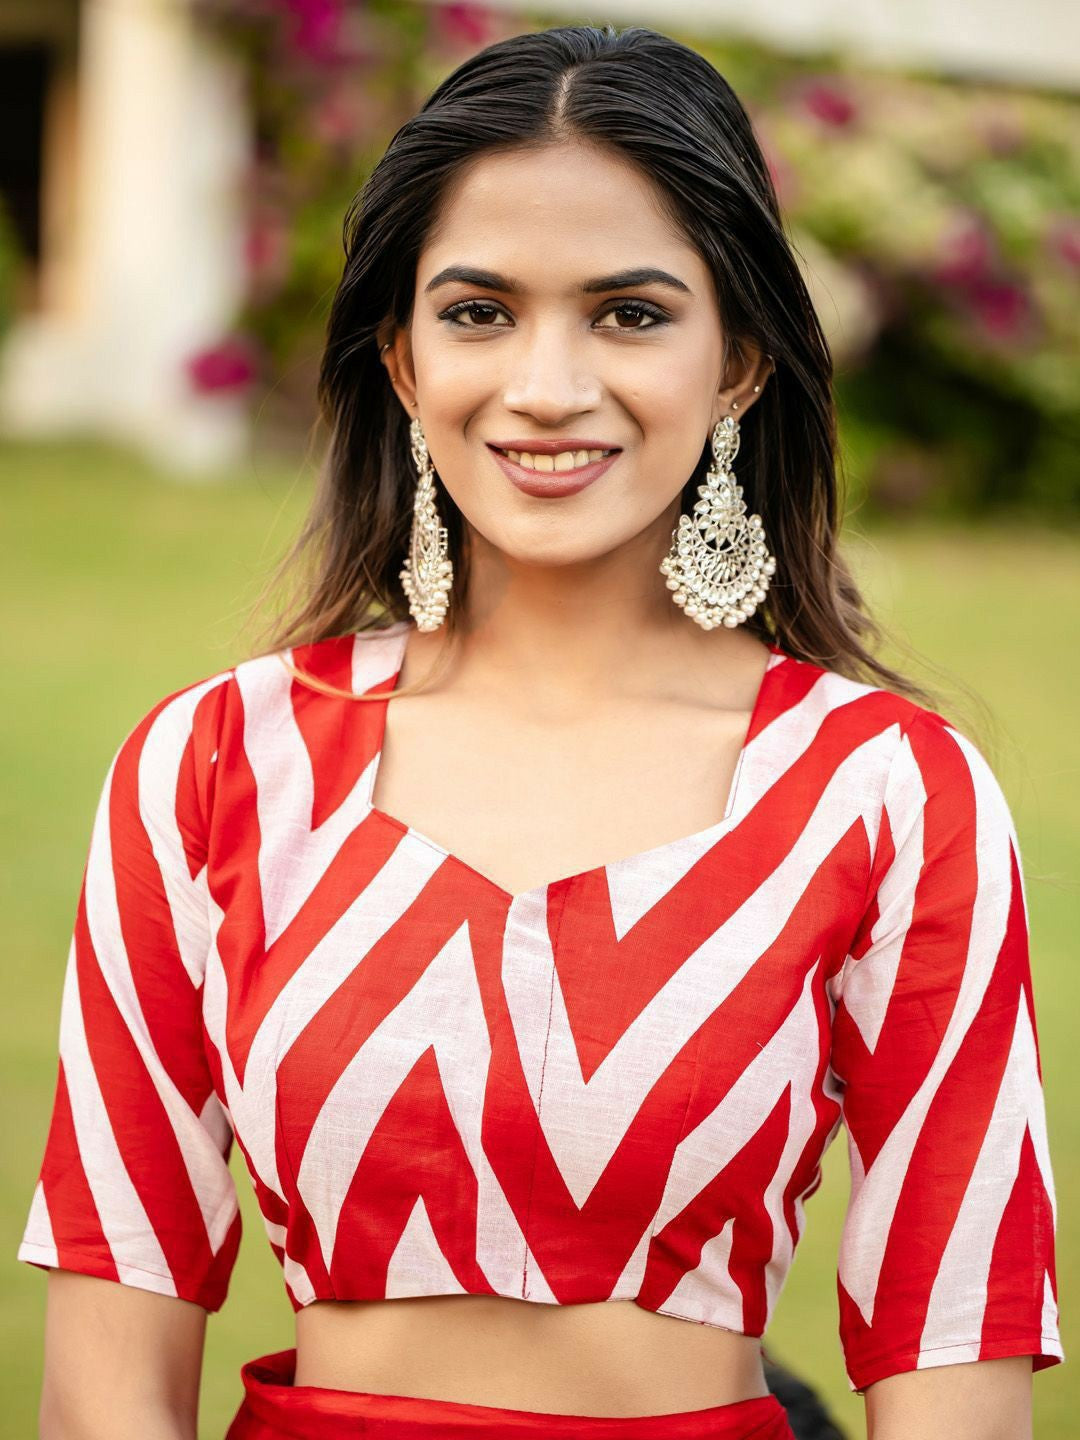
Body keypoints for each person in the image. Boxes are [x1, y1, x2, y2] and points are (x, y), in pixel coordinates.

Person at [17, 23, 1063, 1440]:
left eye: (629, 312)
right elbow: (111, 1340)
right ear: (399, 356)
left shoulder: (884, 792)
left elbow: (957, 1334)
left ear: (742, 362)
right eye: (479, 311)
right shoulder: (218, 765)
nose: (548, 387)